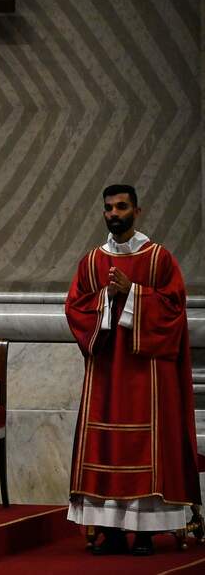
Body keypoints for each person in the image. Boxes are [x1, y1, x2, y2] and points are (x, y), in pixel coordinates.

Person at [65, 184, 200, 556]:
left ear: (137, 211)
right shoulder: (92, 261)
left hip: (147, 376)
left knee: (145, 448)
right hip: (106, 375)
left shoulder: (159, 259)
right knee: (105, 447)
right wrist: (107, 297)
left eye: (121, 207)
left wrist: (134, 292)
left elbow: (174, 311)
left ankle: (144, 533)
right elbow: (75, 307)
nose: (113, 213)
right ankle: (109, 530)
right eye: (108, 207)